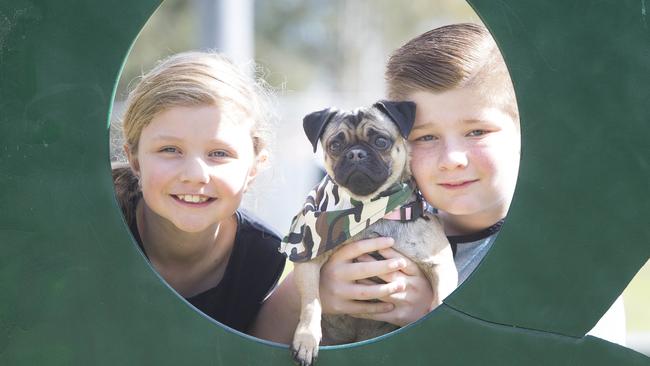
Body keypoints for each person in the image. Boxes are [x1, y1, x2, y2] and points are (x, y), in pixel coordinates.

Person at [253, 23, 625, 346]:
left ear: (525, 131)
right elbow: (256, 339)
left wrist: (432, 322)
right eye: (426, 137)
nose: (452, 158)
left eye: (476, 131)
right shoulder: (354, 225)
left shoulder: (564, 256)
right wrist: (319, 296)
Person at [112, 51, 286, 334]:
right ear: (134, 160)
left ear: (254, 168)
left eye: (218, 153)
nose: (195, 175)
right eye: (170, 150)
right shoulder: (98, 232)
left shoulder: (261, 256)